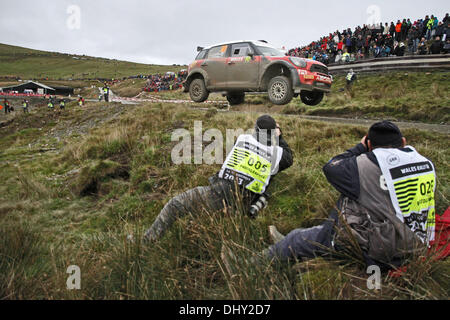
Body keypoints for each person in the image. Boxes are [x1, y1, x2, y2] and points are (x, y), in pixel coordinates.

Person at [264, 121, 436, 270]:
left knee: (298, 238)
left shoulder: (365, 165)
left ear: (369, 145)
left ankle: (257, 260)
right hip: (418, 244)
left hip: (384, 251)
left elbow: (331, 167)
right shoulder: (426, 163)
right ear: (403, 142)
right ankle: (301, 239)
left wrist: (360, 147)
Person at [143, 115, 294, 242]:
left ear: (255, 129)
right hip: (248, 201)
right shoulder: (278, 154)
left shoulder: (243, 139)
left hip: (220, 192)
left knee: (175, 204)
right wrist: (279, 136)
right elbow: (288, 156)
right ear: (273, 133)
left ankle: (148, 240)